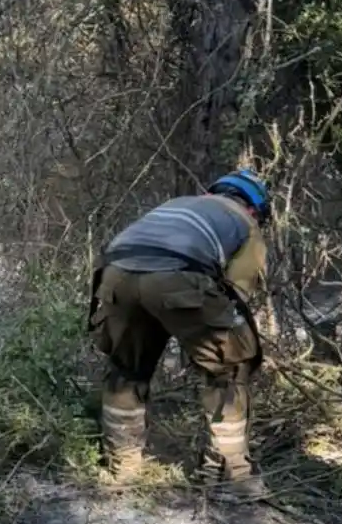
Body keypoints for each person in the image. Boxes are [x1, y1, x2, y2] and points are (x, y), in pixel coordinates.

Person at [87, 169, 272, 502]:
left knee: (127, 369)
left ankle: (121, 469)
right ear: (256, 207)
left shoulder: (179, 205)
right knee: (231, 370)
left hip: (115, 274)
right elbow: (236, 295)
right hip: (177, 275)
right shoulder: (247, 224)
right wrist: (209, 346)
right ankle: (231, 477)